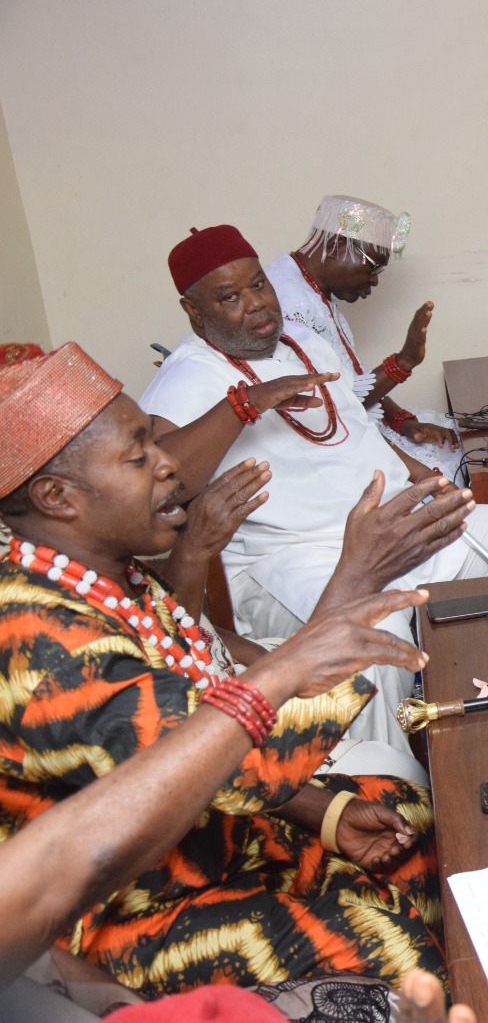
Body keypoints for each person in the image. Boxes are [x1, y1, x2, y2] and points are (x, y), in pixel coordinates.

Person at [0, 343, 457, 998]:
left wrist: (326, 815)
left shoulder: (117, 580)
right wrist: (355, 583)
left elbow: (211, 731)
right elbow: (230, 760)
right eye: (139, 456)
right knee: (403, 953)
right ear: (56, 496)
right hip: (126, 918)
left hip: (216, 846)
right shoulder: (34, 635)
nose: (170, 469)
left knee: (424, 834)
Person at [139, 224, 488, 769]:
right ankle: (402, 779)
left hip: (388, 526)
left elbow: (358, 427)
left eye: (258, 285)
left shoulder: (303, 341)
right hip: (295, 557)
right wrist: (243, 405)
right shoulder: (189, 375)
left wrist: (424, 480)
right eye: (230, 297)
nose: (257, 304)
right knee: (370, 631)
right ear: (194, 312)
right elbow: (160, 483)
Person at [263, 194, 466, 479]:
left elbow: (351, 375)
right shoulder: (291, 303)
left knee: (460, 440)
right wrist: (403, 362)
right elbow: (332, 409)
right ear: (335, 246)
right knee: (457, 466)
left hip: (353, 422)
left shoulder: (310, 287)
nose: (374, 280)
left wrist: (400, 421)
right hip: (327, 445)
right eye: (372, 267)